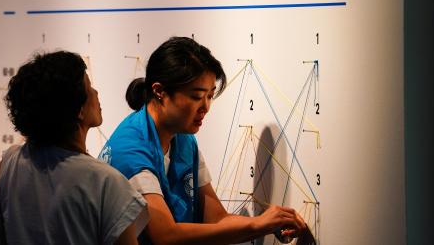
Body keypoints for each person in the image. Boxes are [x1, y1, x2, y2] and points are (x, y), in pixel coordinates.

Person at [100, 37, 308, 244]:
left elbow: (216, 219)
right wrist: (256, 225)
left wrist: (268, 223)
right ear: (160, 91)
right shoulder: (130, 151)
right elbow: (164, 235)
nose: (206, 107)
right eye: (196, 96)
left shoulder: (183, 137)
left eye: (210, 95)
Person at [0, 51, 147, 244]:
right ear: (79, 111)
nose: (96, 93)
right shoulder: (106, 181)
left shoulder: (12, 161)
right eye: (90, 88)